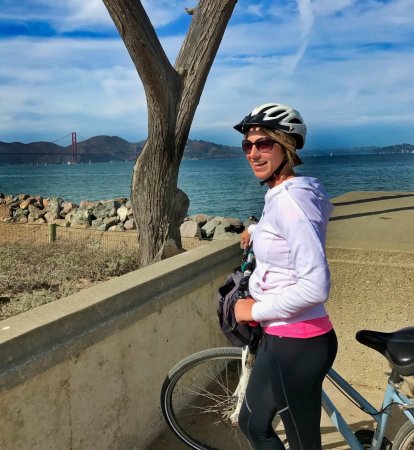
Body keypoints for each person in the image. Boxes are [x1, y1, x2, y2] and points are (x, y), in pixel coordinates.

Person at [233, 103, 338, 450]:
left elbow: (315, 286)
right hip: (283, 336)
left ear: (286, 147)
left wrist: (254, 310)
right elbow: (286, 235)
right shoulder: (280, 195)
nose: (253, 153)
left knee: (302, 443)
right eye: (248, 145)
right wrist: (256, 230)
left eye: (264, 144)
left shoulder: (291, 200)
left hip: (298, 342)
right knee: (252, 423)